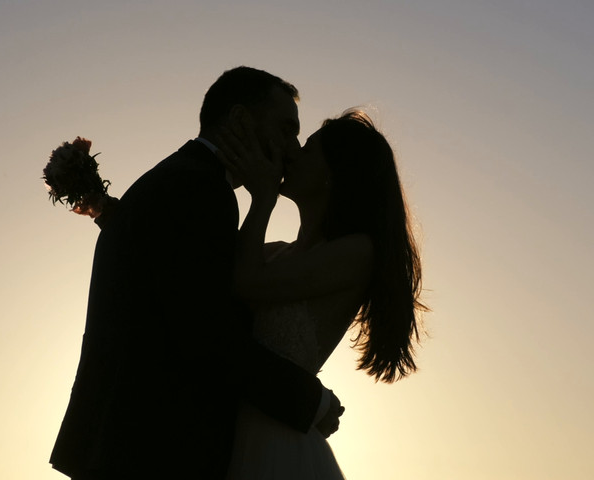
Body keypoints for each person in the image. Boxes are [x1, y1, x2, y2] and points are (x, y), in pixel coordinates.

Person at [48, 66, 342, 480]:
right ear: (240, 120)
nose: (291, 148)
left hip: (120, 446)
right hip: (152, 451)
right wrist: (310, 401)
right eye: (285, 129)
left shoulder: (175, 178)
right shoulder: (202, 191)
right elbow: (206, 334)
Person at [214, 109, 425, 478]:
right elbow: (205, 268)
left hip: (275, 448)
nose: (292, 152)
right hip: (230, 434)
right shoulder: (278, 253)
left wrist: (262, 199)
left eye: (308, 148)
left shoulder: (356, 252)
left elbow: (246, 283)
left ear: (335, 173)